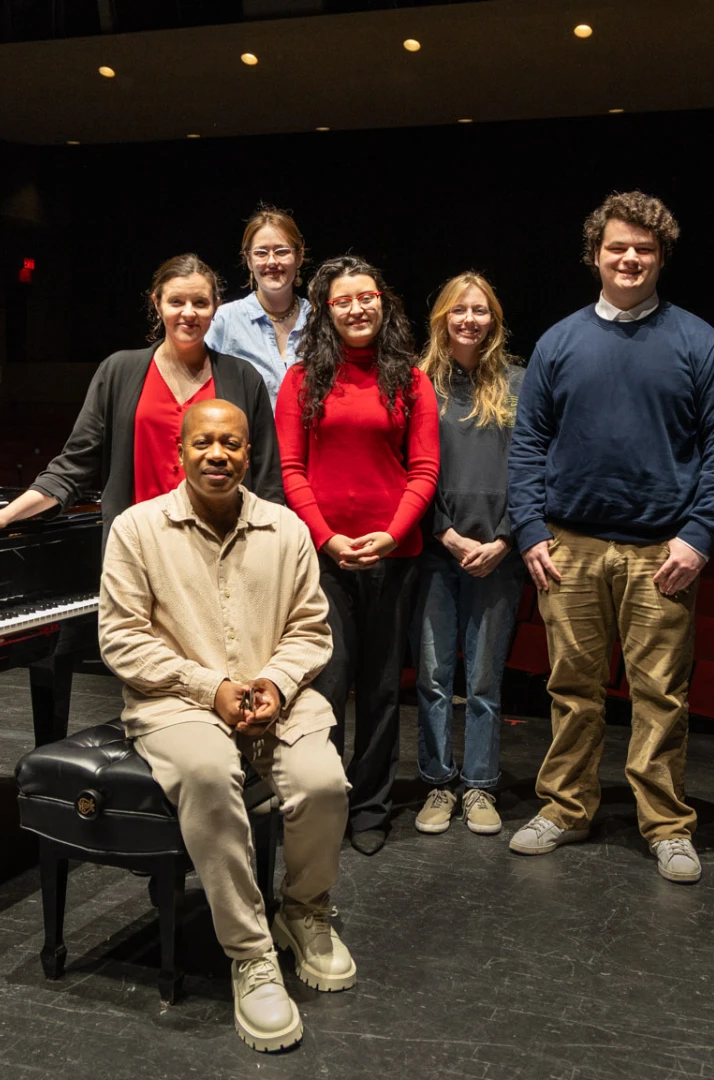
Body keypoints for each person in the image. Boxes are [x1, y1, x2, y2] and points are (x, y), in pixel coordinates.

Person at [505, 192, 714, 884]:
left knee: (660, 696)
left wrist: (698, 536)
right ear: (595, 256)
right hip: (569, 548)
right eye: (617, 247)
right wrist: (529, 529)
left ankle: (666, 825)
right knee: (571, 689)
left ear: (660, 257)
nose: (630, 259)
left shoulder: (698, 342)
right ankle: (564, 807)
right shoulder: (558, 341)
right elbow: (527, 446)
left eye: (643, 249)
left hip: (661, 553)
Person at [98, 398, 355, 1053]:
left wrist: (274, 682)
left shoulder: (287, 530)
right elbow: (120, 639)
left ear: (249, 453)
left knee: (322, 782)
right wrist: (208, 687)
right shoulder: (135, 529)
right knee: (211, 773)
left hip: (276, 698)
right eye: (204, 443)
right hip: (176, 704)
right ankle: (250, 954)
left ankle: (303, 910)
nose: (218, 455)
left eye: (232, 444)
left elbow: (309, 628)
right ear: (178, 453)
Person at [275, 255, 440, 855]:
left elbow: (424, 470)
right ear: (325, 311)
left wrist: (392, 535)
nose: (356, 308)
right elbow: (291, 470)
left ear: (383, 302)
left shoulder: (412, 380)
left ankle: (370, 806)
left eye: (365, 296)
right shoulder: (301, 380)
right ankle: (326, 799)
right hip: (325, 556)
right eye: (342, 300)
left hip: (396, 556)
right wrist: (326, 537)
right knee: (326, 684)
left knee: (378, 688)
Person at [0, 254, 280, 537]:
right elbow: (74, 465)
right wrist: (7, 514)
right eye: (176, 302)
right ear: (157, 304)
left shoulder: (243, 378)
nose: (189, 313)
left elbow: (267, 480)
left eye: (200, 303)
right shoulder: (119, 371)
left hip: (223, 547)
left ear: (215, 307)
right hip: (138, 549)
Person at [411, 272, 526, 838]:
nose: (470, 319)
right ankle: (437, 781)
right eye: (459, 309)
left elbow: (535, 470)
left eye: (481, 310)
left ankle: (479, 786)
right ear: (442, 318)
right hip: (436, 553)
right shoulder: (416, 384)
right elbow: (405, 470)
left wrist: (506, 538)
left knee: (483, 681)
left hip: (499, 557)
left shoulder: (520, 385)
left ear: (494, 320)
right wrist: (443, 533)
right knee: (433, 677)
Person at [206, 206, 311, 407]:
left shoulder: (319, 319)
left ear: (299, 256)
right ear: (248, 259)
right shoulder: (225, 320)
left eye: (282, 251)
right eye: (261, 253)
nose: (272, 262)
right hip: (250, 438)